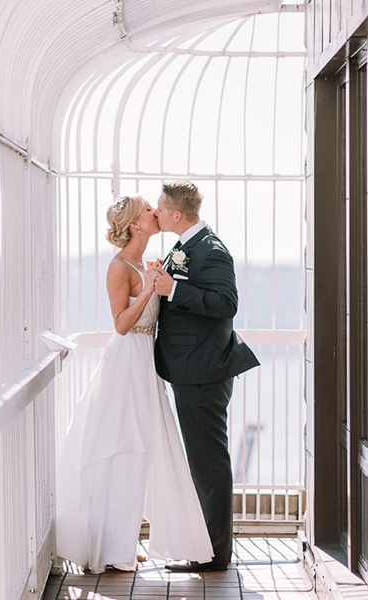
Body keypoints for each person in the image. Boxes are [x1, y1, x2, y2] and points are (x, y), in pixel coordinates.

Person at [56, 195, 213, 574]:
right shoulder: (119, 267)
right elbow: (122, 325)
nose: (154, 213)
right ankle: (111, 547)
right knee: (121, 448)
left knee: (145, 450)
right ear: (134, 224)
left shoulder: (146, 264)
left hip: (147, 366)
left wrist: (158, 279)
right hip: (124, 365)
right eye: (147, 209)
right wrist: (149, 288)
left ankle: (123, 541)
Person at [151, 181, 260, 572]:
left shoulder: (210, 251)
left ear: (177, 215)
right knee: (202, 462)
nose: (156, 213)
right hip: (190, 368)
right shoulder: (186, 246)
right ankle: (208, 547)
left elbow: (225, 303)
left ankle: (215, 555)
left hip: (202, 372)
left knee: (209, 463)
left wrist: (173, 289)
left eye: (161, 209)